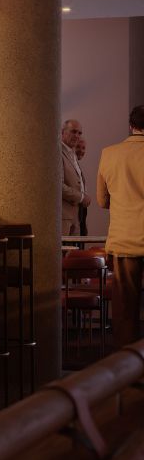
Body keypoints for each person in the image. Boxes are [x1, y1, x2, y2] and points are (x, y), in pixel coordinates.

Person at [96, 105, 144, 348]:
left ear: (130, 125)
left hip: (124, 241)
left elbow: (102, 201)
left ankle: (127, 371)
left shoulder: (109, 153)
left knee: (125, 309)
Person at [61, 119, 88, 236]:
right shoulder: (57, 152)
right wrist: (81, 197)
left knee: (74, 254)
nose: (77, 136)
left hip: (76, 215)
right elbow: (58, 186)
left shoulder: (72, 154)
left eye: (79, 133)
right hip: (63, 216)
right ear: (63, 132)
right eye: (73, 132)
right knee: (61, 254)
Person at [75, 138, 88, 236]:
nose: (81, 150)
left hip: (81, 211)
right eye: (78, 147)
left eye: (83, 148)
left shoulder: (77, 166)